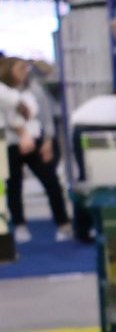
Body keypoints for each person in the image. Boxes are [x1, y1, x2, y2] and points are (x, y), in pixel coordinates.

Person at [2, 58, 69, 245]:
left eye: (26, 68)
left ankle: (63, 223)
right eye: (20, 68)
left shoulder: (34, 89)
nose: (25, 72)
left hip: (36, 141)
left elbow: (44, 115)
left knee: (51, 182)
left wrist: (48, 140)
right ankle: (19, 225)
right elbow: (11, 117)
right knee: (13, 186)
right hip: (9, 144)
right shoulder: (4, 91)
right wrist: (22, 134)